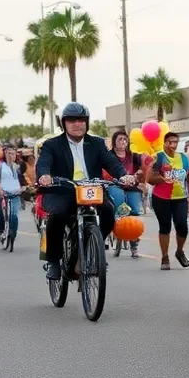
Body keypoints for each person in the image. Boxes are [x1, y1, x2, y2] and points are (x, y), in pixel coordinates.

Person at [36, 103, 132, 281]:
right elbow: (44, 163)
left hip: (91, 190)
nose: (76, 124)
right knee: (57, 216)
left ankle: (91, 246)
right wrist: (45, 176)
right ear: (63, 123)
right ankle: (54, 261)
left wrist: (124, 176)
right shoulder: (52, 145)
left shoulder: (96, 143)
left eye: (81, 120)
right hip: (61, 191)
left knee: (109, 212)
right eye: (71, 120)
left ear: (86, 122)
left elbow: (112, 162)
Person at [147, 131, 189, 270]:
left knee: (182, 227)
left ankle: (180, 252)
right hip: (161, 198)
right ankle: (165, 257)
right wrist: (162, 178)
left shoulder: (184, 159)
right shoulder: (158, 157)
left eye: (175, 142)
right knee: (165, 226)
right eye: (170, 142)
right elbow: (149, 179)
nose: (172, 145)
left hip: (180, 198)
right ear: (164, 143)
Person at [105, 128, 144, 258]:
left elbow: (143, 169)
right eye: (120, 139)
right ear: (114, 142)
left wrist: (140, 174)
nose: (123, 142)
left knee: (133, 213)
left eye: (125, 140)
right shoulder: (108, 156)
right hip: (115, 185)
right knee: (120, 207)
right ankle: (116, 230)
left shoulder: (134, 156)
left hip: (132, 187)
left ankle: (134, 244)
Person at [0, 143, 25, 243]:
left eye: (12, 153)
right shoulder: (0, 166)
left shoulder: (18, 167)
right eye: (8, 153)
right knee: (3, 214)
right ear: (4, 154)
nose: (10, 155)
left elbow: (24, 182)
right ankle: (2, 231)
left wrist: (23, 188)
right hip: (4, 193)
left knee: (14, 215)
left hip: (15, 194)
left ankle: (13, 234)